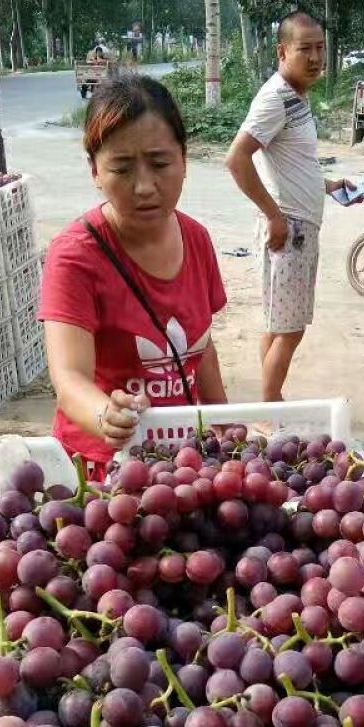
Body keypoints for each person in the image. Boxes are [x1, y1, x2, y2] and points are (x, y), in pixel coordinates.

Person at [40, 75, 228, 480]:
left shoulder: (196, 239)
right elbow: (69, 376)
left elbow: (202, 348)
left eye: (160, 164)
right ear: (94, 171)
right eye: (122, 168)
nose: (144, 186)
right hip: (104, 469)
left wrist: (230, 429)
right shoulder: (74, 258)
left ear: (184, 160)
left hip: (182, 463)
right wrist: (105, 413)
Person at [226, 10, 355, 402]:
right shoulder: (276, 98)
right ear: (283, 51)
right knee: (291, 328)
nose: (316, 58)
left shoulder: (296, 97)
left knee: (279, 323)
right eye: (305, 49)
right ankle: (268, 408)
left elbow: (291, 162)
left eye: (320, 48)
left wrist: (327, 185)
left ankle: (271, 400)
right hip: (291, 230)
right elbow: (237, 158)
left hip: (298, 224)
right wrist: (274, 215)